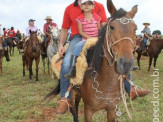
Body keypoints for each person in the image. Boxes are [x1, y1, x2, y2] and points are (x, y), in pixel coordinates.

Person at [56, 0, 150, 115]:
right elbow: (65, 29)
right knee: (66, 62)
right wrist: (61, 44)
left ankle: (131, 88)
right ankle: (65, 97)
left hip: (98, 36)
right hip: (78, 38)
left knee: (119, 55)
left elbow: (104, 25)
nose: (86, 5)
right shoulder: (69, 8)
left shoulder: (99, 6)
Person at [64, 0, 101, 78]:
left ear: (93, 7)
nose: (86, 6)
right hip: (86, 40)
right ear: (81, 6)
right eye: (84, 4)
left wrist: (98, 38)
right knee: (77, 46)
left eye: (89, 4)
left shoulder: (97, 17)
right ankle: (73, 68)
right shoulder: (80, 19)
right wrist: (89, 38)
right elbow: (80, 32)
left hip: (96, 38)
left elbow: (99, 29)